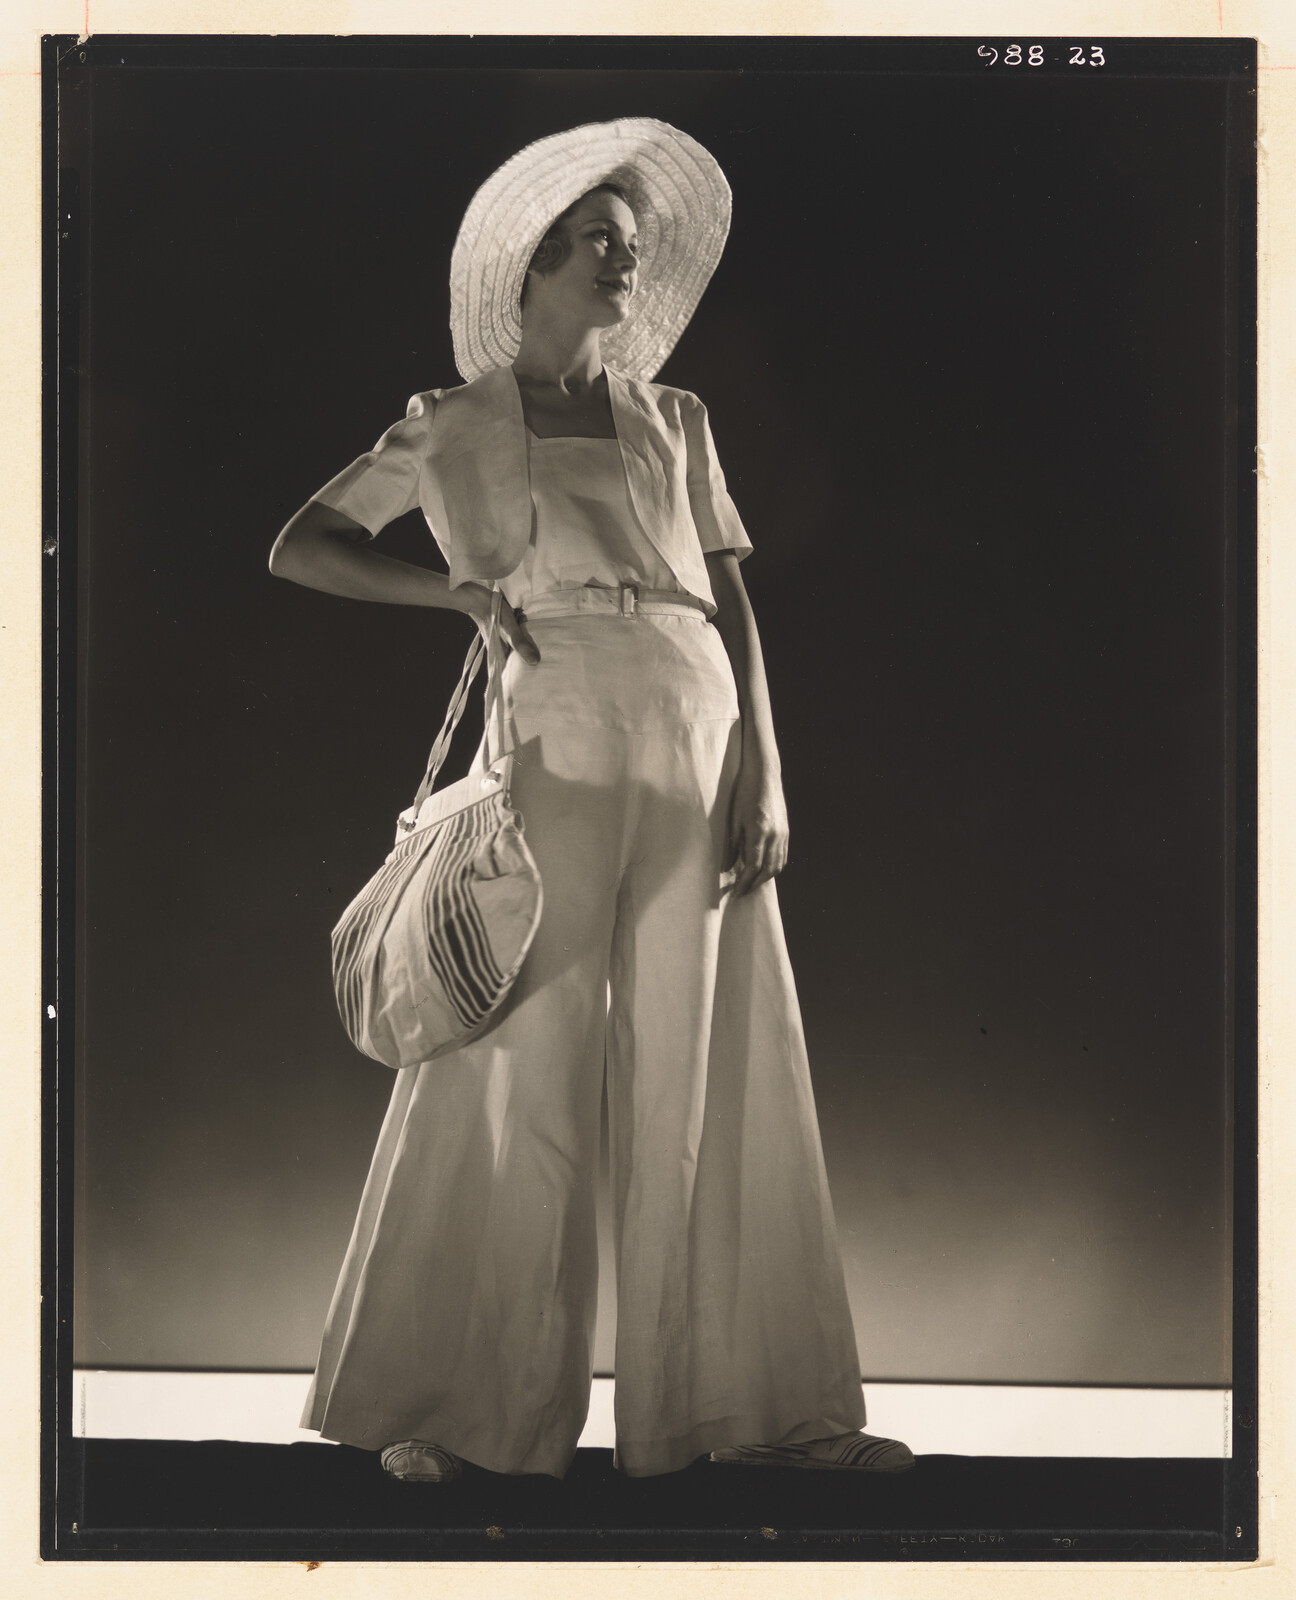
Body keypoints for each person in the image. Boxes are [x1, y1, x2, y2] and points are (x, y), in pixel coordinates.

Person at [269, 118, 913, 1482]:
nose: (625, 264)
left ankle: (730, 1420)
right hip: (550, 727)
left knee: (714, 1064)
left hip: (695, 720)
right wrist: (446, 590)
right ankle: (469, 1419)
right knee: (520, 1063)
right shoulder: (450, 425)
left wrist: (767, 766)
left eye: (632, 247)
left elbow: (729, 594)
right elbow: (303, 542)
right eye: (599, 245)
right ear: (534, 266)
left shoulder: (676, 419)